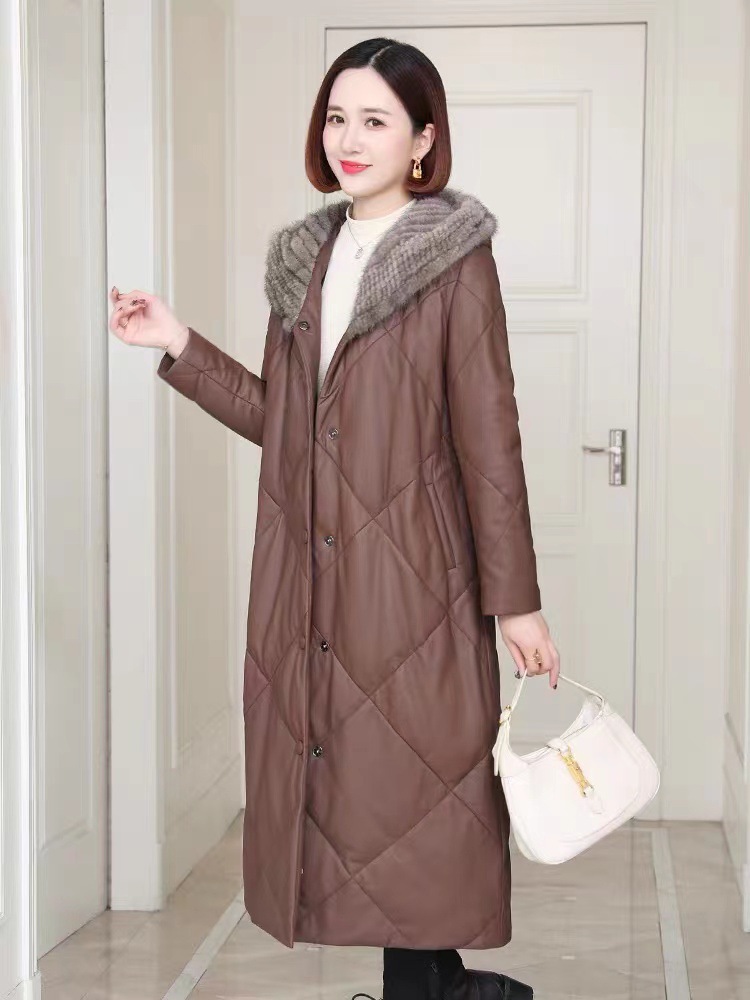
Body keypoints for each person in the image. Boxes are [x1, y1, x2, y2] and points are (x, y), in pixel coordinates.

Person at [110, 35, 559, 1000]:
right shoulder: (302, 263)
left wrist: (516, 602)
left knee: (419, 809)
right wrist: (177, 341)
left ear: (423, 140)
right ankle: (448, 992)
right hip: (309, 582)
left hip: (416, 589)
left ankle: (443, 991)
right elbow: (285, 423)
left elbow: (491, 441)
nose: (349, 140)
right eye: (337, 118)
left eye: (375, 121)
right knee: (360, 811)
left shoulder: (455, 264)